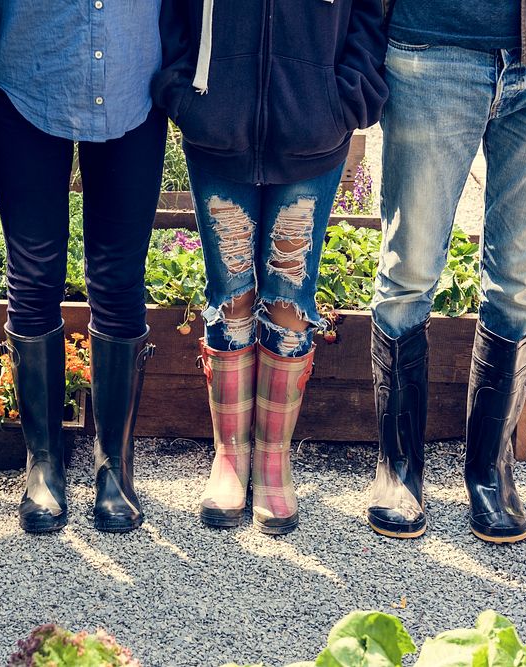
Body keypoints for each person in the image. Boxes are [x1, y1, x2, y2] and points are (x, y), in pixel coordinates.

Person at [155, 0, 388, 532]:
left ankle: (274, 459)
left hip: (313, 132)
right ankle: (230, 456)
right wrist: (184, 95)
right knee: (230, 292)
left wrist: (343, 98)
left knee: (289, 298)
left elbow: (372, 15)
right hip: (216, 126)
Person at [367, 1, 526, 543]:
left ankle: (491, 472)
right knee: (409, 272)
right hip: (430, 45)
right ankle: (397, 469)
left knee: (520, 281)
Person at [0, 1, 167, 533]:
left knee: (118, 277)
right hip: (28, 75)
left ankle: (115, 467)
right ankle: (43, 463)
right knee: (34, 272)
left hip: (133, 78)